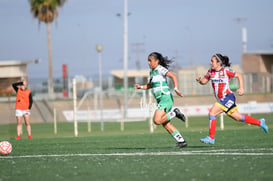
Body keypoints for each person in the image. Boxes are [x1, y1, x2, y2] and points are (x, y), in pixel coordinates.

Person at [196, 53, 268, 144]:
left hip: (228, 97)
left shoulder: (226, 71)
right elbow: (204, 81)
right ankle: (260, 122)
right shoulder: (210, 71)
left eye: (212, 61)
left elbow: (239, 76)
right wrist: (199, 81)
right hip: (221, 100)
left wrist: (241, 88)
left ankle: (211, 137)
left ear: (219, 63)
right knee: (238, 117)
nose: (210, 63)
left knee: (212, 112)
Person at [134, 52, 187, 148]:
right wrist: (140, 87)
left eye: (150, 61)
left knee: (156, 120)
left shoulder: (160, 69)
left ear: (157, 61)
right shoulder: (152, 72)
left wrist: (175, 89)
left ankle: (175, 113)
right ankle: (181, 141)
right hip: (161, 100)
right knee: (166, 124)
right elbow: (150, 85)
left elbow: (173, 76)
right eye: (148, 61)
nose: (149, 63)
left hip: (165, 98)